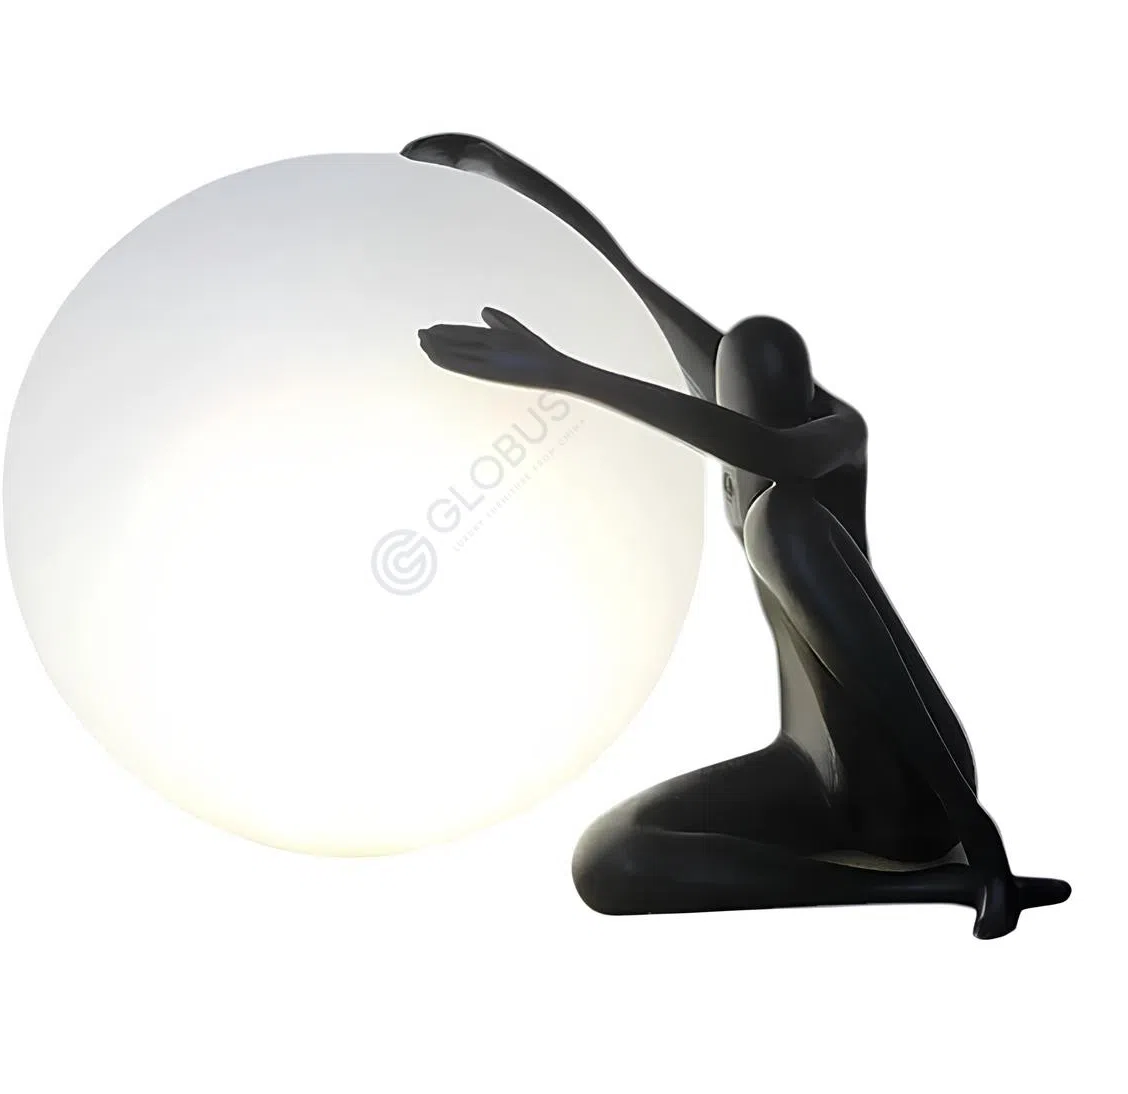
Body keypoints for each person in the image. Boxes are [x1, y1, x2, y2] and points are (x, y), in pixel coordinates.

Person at [406, 134, 1069, 938]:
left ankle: (966, 855)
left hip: (910, 788)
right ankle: (937, 889)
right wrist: (497, 171)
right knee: (607, 860)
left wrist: (570, 375)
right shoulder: (733, 406)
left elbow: (771, 452)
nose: (739, 402)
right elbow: (630, 280)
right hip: (808, 769)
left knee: (779, 524)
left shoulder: (835, 435)